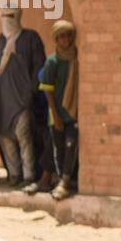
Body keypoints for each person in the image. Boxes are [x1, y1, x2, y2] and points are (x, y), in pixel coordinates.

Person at [0, 6, 45, 187]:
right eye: (3, 16)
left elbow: (39, 67)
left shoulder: (30, 38)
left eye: (10, 16)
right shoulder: (1, 40)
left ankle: (29, 176)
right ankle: (14, 174)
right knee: (6, 137)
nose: (6, 20)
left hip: (22, 100)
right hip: (3, 100)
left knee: (24, 137)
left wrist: (31, 91)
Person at [37, 20, 79, 201]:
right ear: (56, 39)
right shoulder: (52, 61)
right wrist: (55, 115)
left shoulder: (76, 58)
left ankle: (65, 181)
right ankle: (60, 181)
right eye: (62, 36)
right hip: (58, 115)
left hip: (73, 113)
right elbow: (48, 90)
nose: (66, 39)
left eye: (69, 35)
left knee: (71, 145)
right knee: (58, 149)